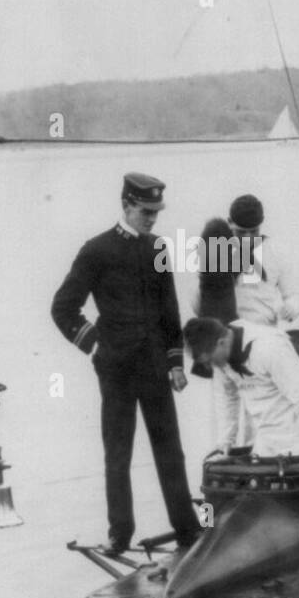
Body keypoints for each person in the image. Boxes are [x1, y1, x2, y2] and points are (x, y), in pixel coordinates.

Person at [51, 172, 203, 555]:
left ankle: (187, 531)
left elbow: (169, 312)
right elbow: (63, 307)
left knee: (171, 451)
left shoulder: (159, 249)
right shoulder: (96, 250)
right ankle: (120, 534)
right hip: (116, 369)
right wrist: (94, 345)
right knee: (117, 454)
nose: (152, 219)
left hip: (154, 367)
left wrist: (176, 363)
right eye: (145, 211)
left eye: (156, 212)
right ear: (127, 205)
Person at [183, 317, 299, 475]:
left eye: (209, 360)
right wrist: (225, 443)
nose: (209, 366)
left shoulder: (269, 347)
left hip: (298, 437)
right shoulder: (222, 358)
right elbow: (227, 400)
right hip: (265, 439)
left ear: (221, 342)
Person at [189, 194, 299, 329]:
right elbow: (197, 301)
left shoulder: (276, 252)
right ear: (230, 222)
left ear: (261, 224)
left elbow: (294, 293)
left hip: (263, 333)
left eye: (253, 231)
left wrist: (292, 305)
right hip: (225, 335)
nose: (248, 237)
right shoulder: (217, 250)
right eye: (241, 232)